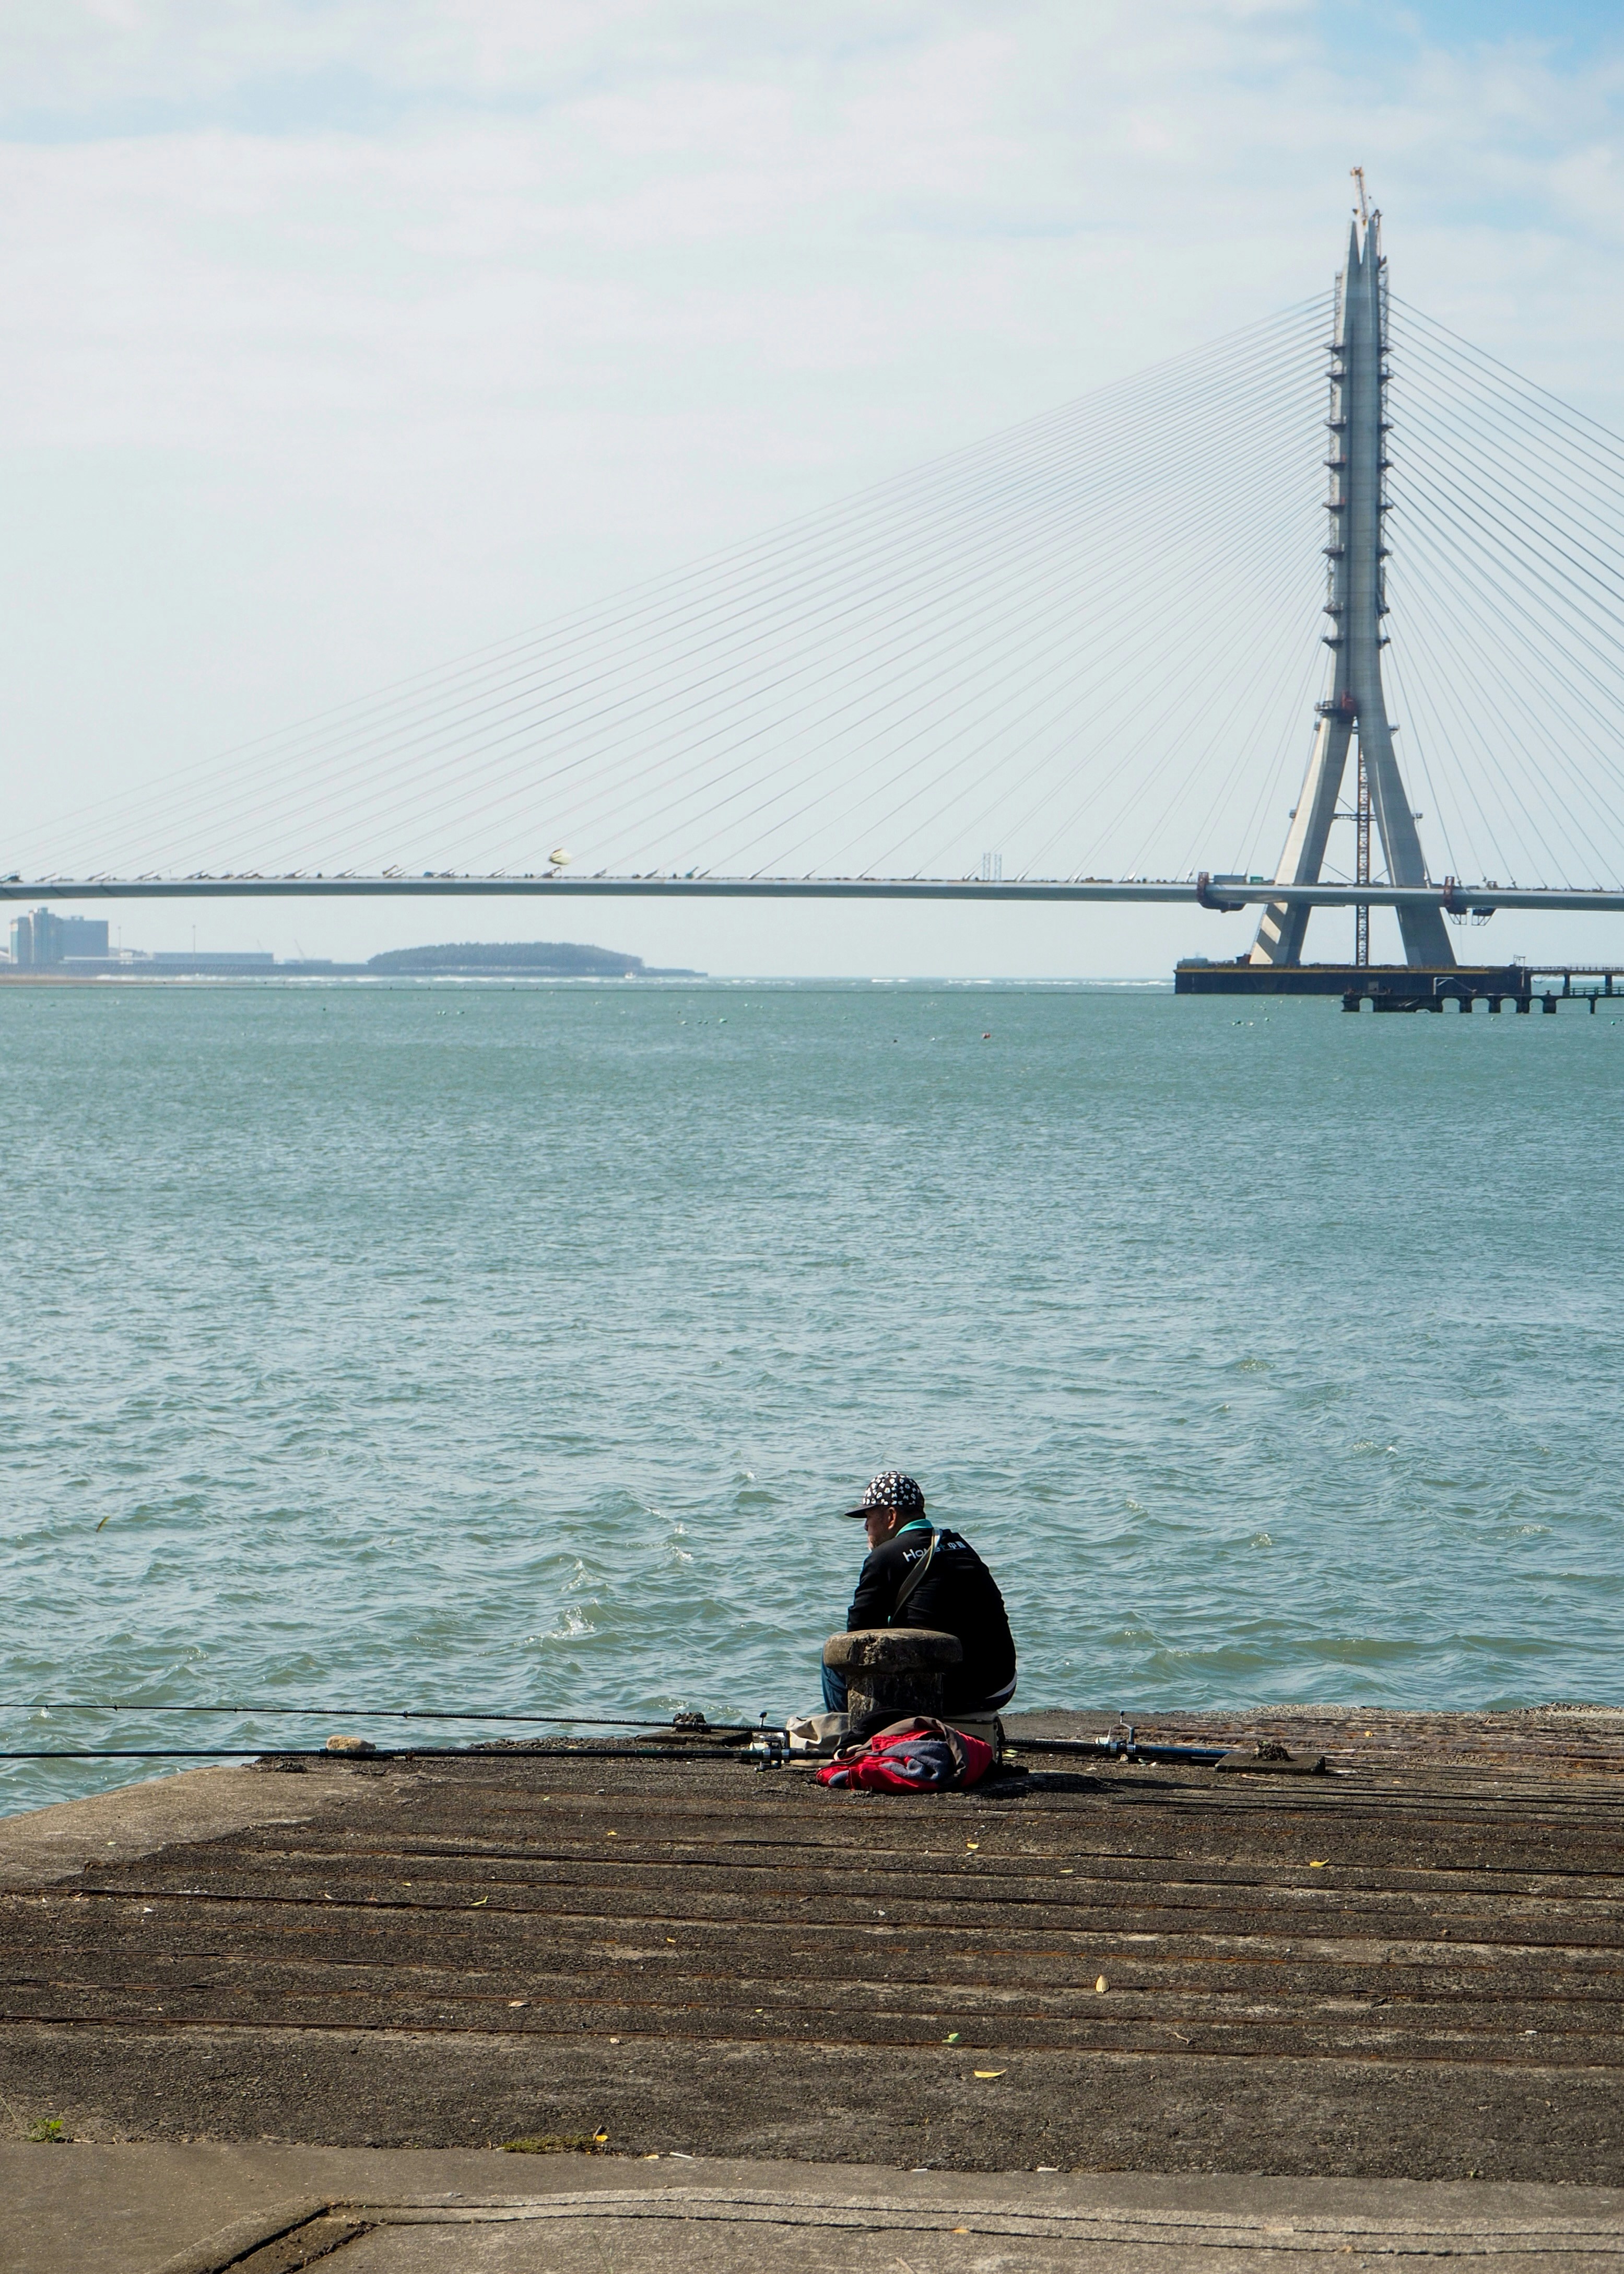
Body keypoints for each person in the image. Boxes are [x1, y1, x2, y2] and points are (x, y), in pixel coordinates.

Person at [822, 1470, 1017, 1720]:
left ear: (891, 1516)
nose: (865, 1526)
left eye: (869, 1517)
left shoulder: (884, 1557)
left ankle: (854, 1737)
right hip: (998, 1685)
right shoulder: (960, 1544)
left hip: (946, 1694)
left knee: (835, 1659)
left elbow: (859, 1637)